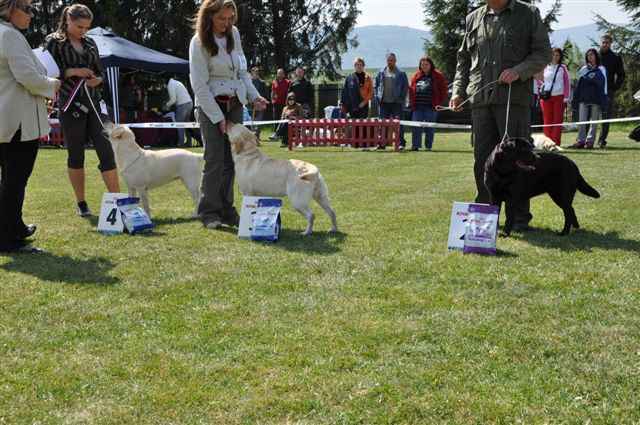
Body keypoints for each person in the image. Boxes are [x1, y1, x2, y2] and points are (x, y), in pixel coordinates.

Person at [450, 0, 550, 231]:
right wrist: (457, 91)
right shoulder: (473, 18)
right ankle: (485, 218)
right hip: (480, 100)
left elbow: (543, 53)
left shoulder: (528, 14)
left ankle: (519, 218)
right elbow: (463, 59)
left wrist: (519, 71)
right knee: (482, 160)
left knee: (518, 160)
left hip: (514, 100)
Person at [189, 0, 267, 230]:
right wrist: (218, 118)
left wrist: (254, 96)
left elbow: (242, 72)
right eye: (221, 18)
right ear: (209, 17)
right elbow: (199, 85)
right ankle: (208, 212)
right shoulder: (198, 42)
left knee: (232, 160)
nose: (227, 23)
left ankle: (227, 209)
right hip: (210, 105)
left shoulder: (234, 34)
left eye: (230, 18)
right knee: (214, 159)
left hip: (234, 104)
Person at [45, 4, 120, 217]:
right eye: (79, 27)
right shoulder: (53, 42)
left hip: (95, 103)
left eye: (87, 27)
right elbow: (46, 72)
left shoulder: (90, 43)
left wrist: (98, 80)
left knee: (107, 151)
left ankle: (118, 201)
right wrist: (73, 71)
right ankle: (82, 203)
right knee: (76, 154)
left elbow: (100, 72)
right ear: (67, 20)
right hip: (70, 105)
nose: (83, 31)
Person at [1, 0, 60, 253]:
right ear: (9, 8)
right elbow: (28, 77)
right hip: (17, 122)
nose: (31, 15)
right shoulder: (9, 35)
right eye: (27, 9)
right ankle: (7, 239)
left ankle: (15, 227)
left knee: (10, 179)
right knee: (15, 181)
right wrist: (52, 84)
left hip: (7, 120)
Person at [408, 56, 448, 151]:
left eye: (426, 64)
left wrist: (438, 102)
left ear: (431, 65)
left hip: (431, 107)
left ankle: (428, 146)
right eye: (422, 64)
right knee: (416, 126)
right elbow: (411, 89)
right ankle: (415, 145)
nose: (424, 66)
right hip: (417, 107)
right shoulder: (416, 76)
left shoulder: (438, 76)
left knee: (430, 128)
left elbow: (444, 91)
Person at [571, 49, 607, 150]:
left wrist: (604, 98)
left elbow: (604, 85)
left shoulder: (601, 69)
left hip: (596, 99)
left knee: (594, 121)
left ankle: (590, 142)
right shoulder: (583, 69)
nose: (590, 57)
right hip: (583, 98)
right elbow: (578, 85)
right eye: (588, 55)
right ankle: (580, 141)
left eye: (592, 55)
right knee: (582, 120)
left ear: (596, 56)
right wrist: (576, 98)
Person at [375, 53, 408, 149]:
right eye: (388, 60)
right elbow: (376, 86)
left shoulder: (401, 73)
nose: (390, 62)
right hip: (383, 103)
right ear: (386, 61)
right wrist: (378, 97)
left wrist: (401, 99)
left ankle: (401, 143)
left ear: (395, 61)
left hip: (396, 103)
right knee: (382, 124)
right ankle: (382, 143)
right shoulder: (381, 72)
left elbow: (405, 87)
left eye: (392, 60)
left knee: (399, 124)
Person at [598, 34, 625, 148]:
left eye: (607, 43)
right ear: (601, 43)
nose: (605, 44)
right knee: (591, 116)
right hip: (594, 91)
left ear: (610, 44)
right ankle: (586, 140)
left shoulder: (615, 57)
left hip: (608, 91)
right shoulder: (595, 56)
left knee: (605, 116)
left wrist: (615, 87)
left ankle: (601, 140)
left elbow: (621, 74)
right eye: (603, 42)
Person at [539, 48, 570, 146]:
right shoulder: (545, 67)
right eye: (553, 55)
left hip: (559, 97)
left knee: (557, 121)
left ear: (560, 57)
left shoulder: (562, 67)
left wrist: (566, 97)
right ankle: (547, 143)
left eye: (557, 55)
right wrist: (542, 88)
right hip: (546, 98)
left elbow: (567, 82)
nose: (555, 57)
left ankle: (555, 143)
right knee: (547, 120)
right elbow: (539, 80)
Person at [164, 76, 194, 147]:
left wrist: (166, 105)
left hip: (182, 104)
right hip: (189, 103)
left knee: (179, 124)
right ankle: (189, 142)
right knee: (187, 125)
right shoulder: (177, 82)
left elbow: (173, 99)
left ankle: (181, 143)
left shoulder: (170, 85)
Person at [249, 66, 269, 139]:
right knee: (251, 120)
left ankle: (257, 135)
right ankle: (251, 135)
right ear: (251, 73)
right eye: (254, 72)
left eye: (257, 72)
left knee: (259, 120)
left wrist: (262, 101)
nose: (255, 73)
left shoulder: (262, 82)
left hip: (260, 104)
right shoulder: (248, 82)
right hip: (250, 104)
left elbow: (265, 94)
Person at [270, 68, 290, 138]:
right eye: (278, 73)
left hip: (285, 104)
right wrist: (272, 100)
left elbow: (289, 93)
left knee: (283, 118)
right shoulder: (274, 82)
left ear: (284, 74)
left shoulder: (288, 82)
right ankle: (275, 133)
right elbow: (272, 92)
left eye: (281, 73)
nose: (280, 75)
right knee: (276, 118)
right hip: (276, 104)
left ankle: (282, 134)